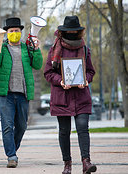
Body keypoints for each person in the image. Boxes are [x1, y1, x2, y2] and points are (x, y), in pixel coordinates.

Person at [43, 16, 97, 174]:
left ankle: (86, 162)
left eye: (75, 31)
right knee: (64, 131)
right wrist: (61, 81)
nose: (72, 33)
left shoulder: (85, 49)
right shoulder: (54, 50)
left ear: (79, 32)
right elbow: (48, 73)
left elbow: (91, 71)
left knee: (82, 127)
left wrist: (86, 79)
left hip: (81, 96)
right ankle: (67, 164)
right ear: (63, 32)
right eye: (69, 31)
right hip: (62, 97)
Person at [0, 17, 43, 168]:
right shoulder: (2, 48)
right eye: (11, 31)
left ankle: (12, 148)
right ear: (7, 33)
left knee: (21, 126)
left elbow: (38, 65)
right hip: (4, 94)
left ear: (21, 32)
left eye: (17, 31)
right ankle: (11, 156)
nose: (14, 33)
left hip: (22, 94)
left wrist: (37, 49)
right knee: (7, 125)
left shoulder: (27, 48)